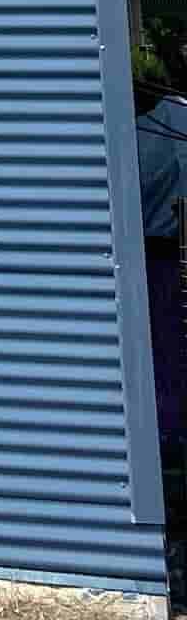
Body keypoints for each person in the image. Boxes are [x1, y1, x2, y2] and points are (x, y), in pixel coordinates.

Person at [135, 33, 187, 448]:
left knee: (160, 352)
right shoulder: (176, 122)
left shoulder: (132, 135)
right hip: (162, 254)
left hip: (152, 255)